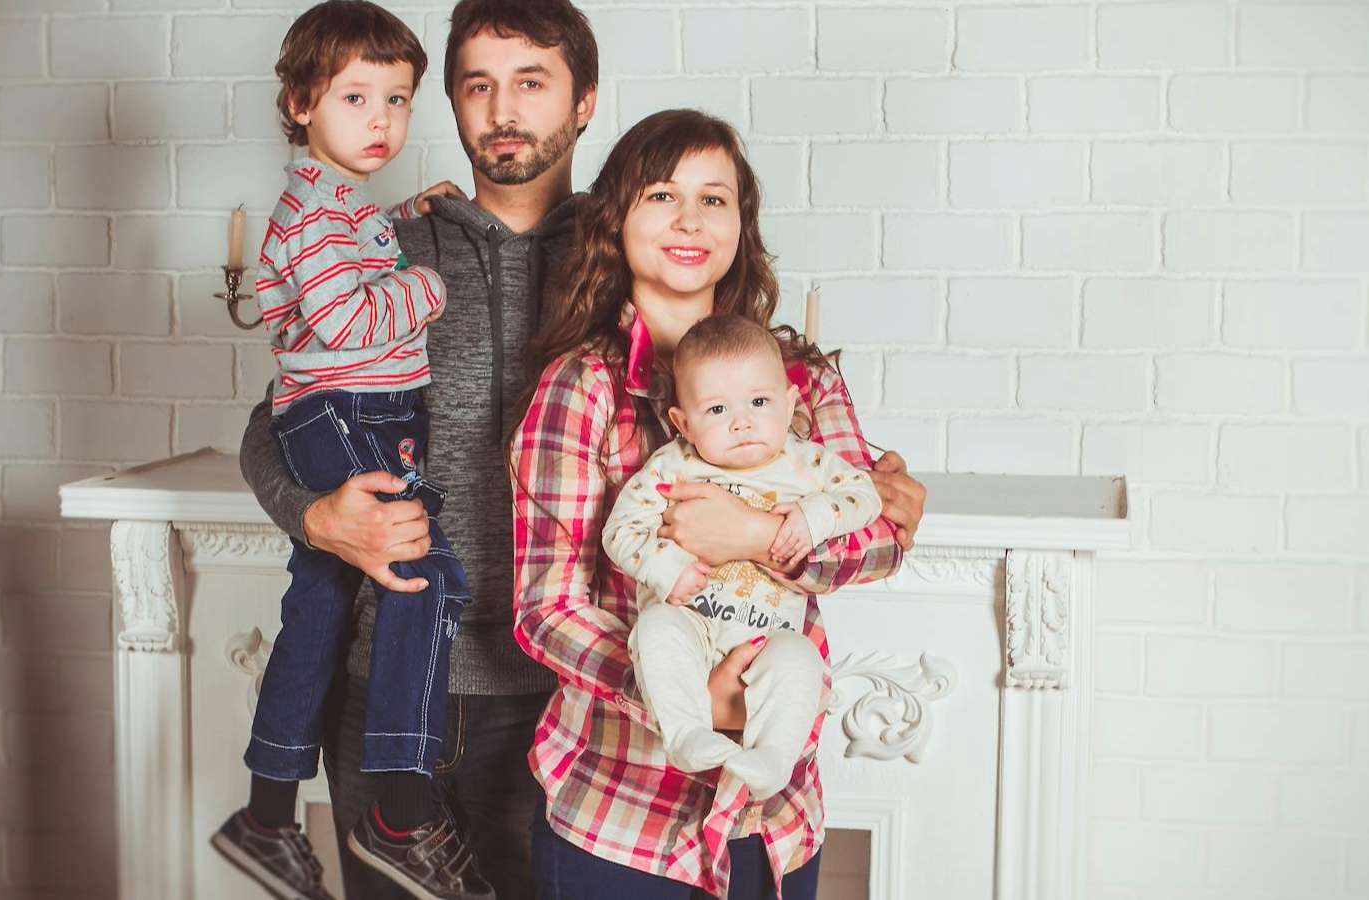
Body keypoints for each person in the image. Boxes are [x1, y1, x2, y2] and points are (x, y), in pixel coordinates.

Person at [509, 109, 927, 900]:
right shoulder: (582, 387)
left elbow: (877, 535)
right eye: (662, 196)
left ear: (742, 222)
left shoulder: (799, 380)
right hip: (620, 815)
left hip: (774, 818)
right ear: (617, 221)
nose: (691, 220)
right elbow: (545, 606)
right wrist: (687, 694)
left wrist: (761, 534)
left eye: (716, 198)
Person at [237, 0, 602, 896]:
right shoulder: (387, 244)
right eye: (478, 85)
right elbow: (271, 423)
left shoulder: (626, 248)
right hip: (387, 679)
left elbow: (721, 401)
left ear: (584, 101)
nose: (503, 109)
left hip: (561, 692)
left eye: (532, 83)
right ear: (451, 101)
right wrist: (317, 517)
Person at [211, 2, 482, 897]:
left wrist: (406, 214)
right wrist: (429, 284)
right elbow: (348, 313)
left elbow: (345, 251)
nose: (381, 120)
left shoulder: (339, 205)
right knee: (422, 574)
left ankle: (265, 814)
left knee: (322, 604)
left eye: (398, 101)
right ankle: (399, 814)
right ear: (299, 103)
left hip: (345, 409)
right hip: (342, 413)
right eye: (356, 98)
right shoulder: (314, 214)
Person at [602, 314, 882, 800]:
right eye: (716, 410)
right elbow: (619, 530)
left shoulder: (806, 463)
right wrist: (666, 569)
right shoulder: (673, 466)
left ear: (790, 403)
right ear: (683, 424)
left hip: (766, 636)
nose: (742, 422)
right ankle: (687, 733)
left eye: (759, 402)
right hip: (691, 622)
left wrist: (813, 518)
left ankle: (773, 758)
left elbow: (866, 497)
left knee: (801, 660)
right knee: (656, 632)